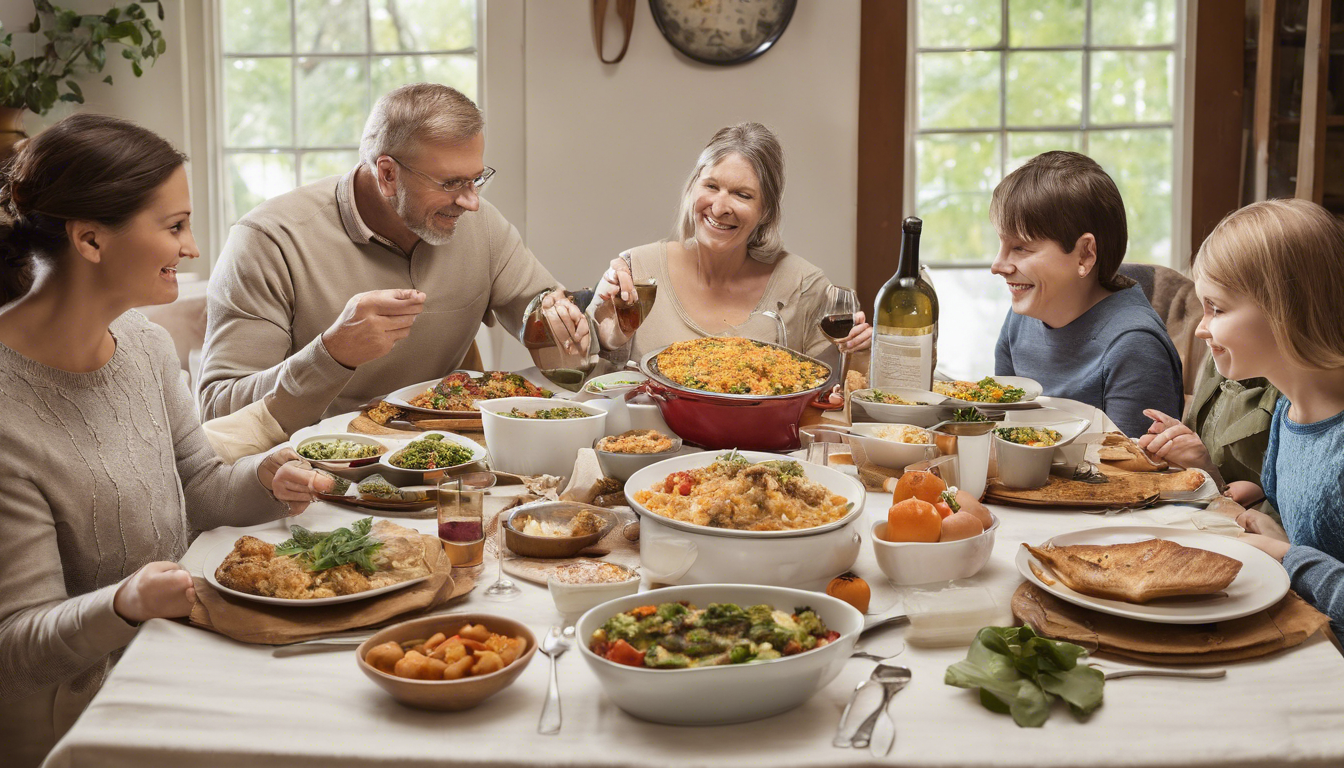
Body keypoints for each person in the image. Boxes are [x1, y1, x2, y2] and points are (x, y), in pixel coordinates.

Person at [0, 114, 330, 767]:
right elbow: (17, 645)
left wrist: (266, 478)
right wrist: (125, 602)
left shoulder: (146, 345)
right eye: (174, 226)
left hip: (174, 658)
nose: (193, 248)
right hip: (79, 726)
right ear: (90, 240)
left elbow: (199, 489)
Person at [199, 83, 586, 432]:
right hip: (314, 473)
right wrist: (331, 354)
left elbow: (556, 338)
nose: (471, 201)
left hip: (448, 459)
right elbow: (220, 414)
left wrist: (587, 323)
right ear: (387, 174)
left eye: (477, 179)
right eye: (451, 183)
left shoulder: (481, 226)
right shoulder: (270, 241)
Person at [1183, 198, 1344, 640]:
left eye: (1216, 308)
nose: (1201, 328)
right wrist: (1268, 518)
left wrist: (1285, 555)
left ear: (1285, 309)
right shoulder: (1290, 413)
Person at [590, 122, 871, 368]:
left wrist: (859, 353)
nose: (720, 207)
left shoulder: (804, 286)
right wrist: (608, 337)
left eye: (742, 195)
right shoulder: (634, 270)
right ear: (692, 187)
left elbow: (831, 398)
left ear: (766, 212)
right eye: (711, 186)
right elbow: (582, 379)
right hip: (649, 430)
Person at [990, 151, 1184, 437]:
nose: (998, 266)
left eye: (1020, 247)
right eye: (1001, 244)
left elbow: (1138, 475)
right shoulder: (1020, 319)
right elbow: (1000, 429)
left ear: (1084, 255)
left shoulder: (1135, 347)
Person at [1138, 355, 1281, 508]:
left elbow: (1285, 520)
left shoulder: (1291, 391)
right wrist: (1182, 444)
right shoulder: (1216, 357)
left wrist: (1209, 476)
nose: (1200, 331)